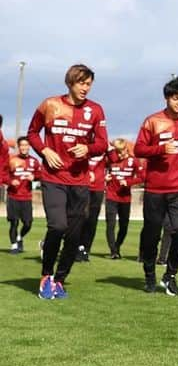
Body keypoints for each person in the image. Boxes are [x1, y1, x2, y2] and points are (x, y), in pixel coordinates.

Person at [27, 64, 109, 299]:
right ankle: (46, 276)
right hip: (53, 177)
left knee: (74, 235)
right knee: (58, 226)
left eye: (89, 84)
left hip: (80, 180)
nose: (86, 88)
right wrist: (44, 151)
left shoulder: (96, 110)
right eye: (82, 83)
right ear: (70, 82)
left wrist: (88, 148)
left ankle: (60, 280)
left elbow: (103, 144)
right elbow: (32, 133)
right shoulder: (50, 104)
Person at [135, 76, 178, 297]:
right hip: (155, 189)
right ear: (167, 98)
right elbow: (139, 150)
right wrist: (161, 149)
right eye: (175, 98)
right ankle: (149, 274)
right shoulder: (152, 121)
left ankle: (170, 275)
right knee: (152, 234)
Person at [104, 138, 143, 259]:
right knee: (110, 225)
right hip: (111, 196)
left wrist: (129, 182)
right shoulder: (110, 158)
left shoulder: (133, 161)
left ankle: (117, 246)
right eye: (118, 152)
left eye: (122, 152)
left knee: (124, 226)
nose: (120, 154)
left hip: (125, 198)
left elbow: (142, 177)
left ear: (126, 149)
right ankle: (113, 251)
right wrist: (104, 177)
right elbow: (99, 169)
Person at [7, 135, 40, 254]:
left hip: (26, 197)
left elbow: (40, 175)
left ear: (29, 146)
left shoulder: (34, 161)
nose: (23, 147)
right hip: (13, 196)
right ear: (19, 147)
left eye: (26, 145)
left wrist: (34, 177)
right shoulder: (11, 160)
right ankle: (14, 245)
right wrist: (11, 181)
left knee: (28, 223)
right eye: (21, 145)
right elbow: (4, 175)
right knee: (14, 222)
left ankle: (20, 237)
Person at [77, 144, 108, 261]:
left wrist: (109, 147)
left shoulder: (104, 149)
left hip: (98, 188)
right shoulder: (83, 145)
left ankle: (85, 250)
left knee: (92, 221)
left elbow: (115, 159)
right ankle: (77, 246)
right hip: (82, 186)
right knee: (81, 218)